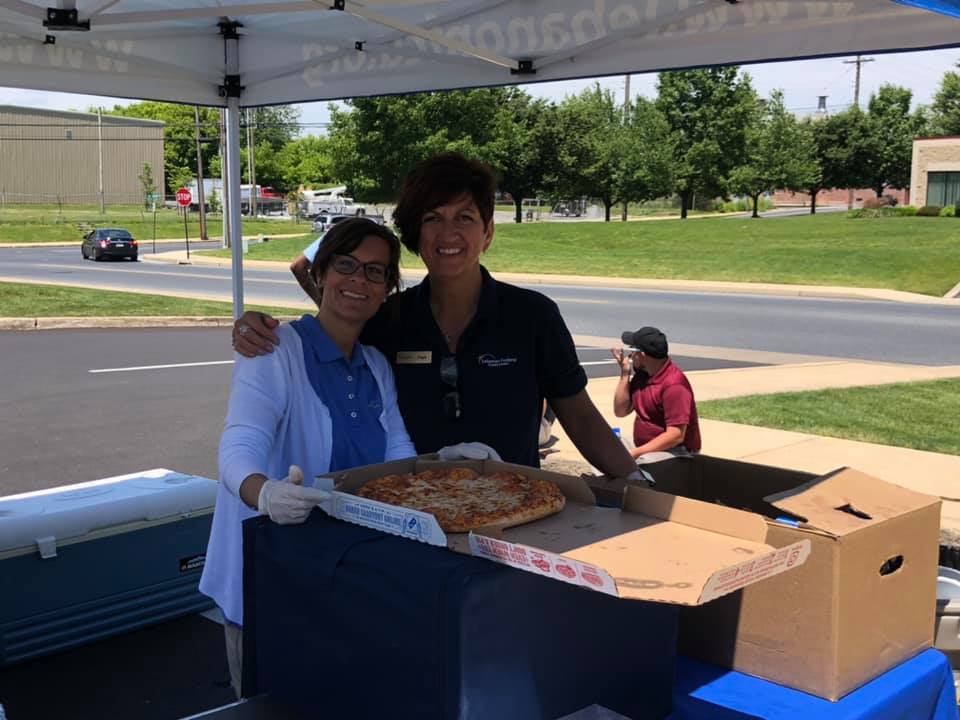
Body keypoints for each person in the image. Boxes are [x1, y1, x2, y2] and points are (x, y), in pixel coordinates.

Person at [232, 152, 639, 480]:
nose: (448, 234)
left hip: (515, 514)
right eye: (432, 218)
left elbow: (581, 417)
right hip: (411, 519)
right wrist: (254, 326)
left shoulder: (533, 316)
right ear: (415, 235)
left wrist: (636, 482)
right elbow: (332, 322)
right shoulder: (385, 321)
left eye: (465, 217)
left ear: (488, 233)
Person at [200, 217, 416, 698]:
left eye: (375, 271)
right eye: (346, 265)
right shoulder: (273, 350)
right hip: (269, 574)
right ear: (319, 274)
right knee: (272, 704)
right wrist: (265, 493)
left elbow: (398, 458)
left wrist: (443, 469)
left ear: (386, 290)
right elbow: (239, 445)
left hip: (342, 576)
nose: (358, 280)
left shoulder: (376, 366)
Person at [611, 326, 702, 463]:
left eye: (632, 350)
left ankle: (630, 475)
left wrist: (636, 453)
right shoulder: (642, 376)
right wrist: (625, 373)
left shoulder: (674, 385)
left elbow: (676, 435)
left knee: (639, 462)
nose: (630, 356)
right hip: (645, 448)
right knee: (605, 446)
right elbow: (620, 411)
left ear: (642, 355)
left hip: (677, 451)